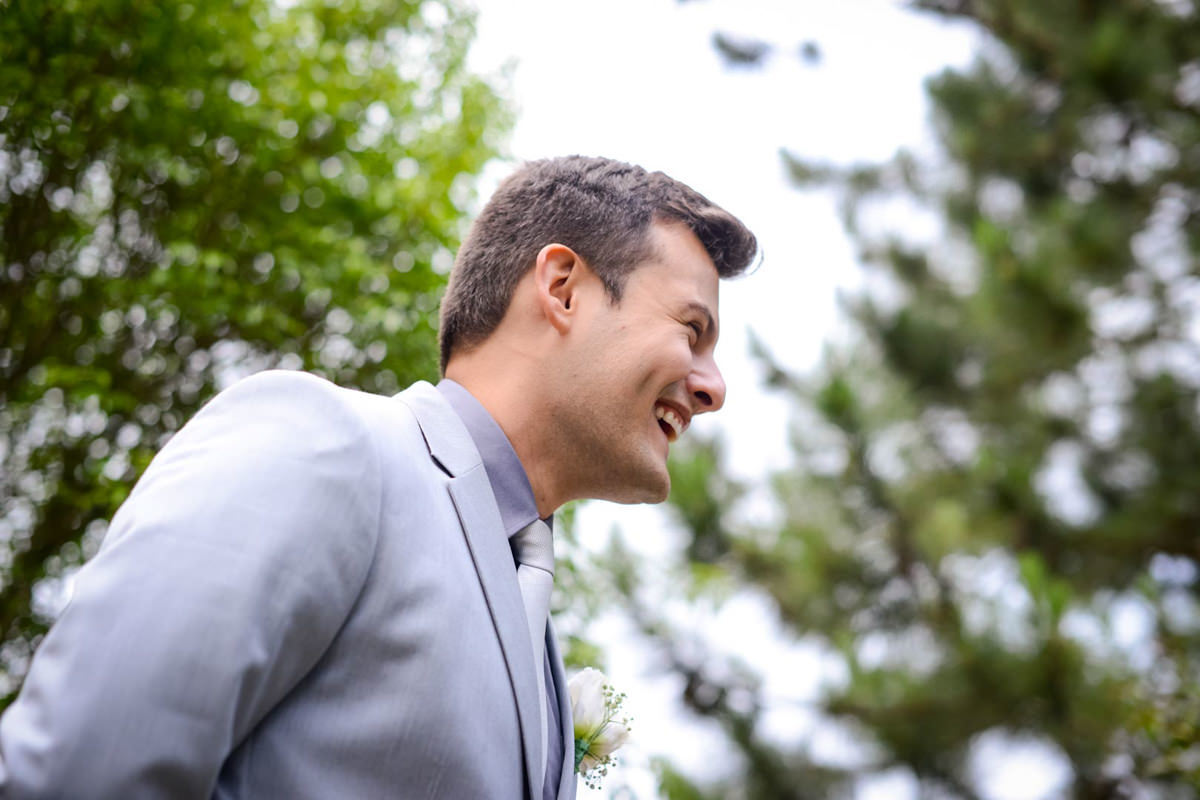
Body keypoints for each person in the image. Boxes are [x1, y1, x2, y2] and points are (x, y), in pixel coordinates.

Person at [0, 155, 757, 799]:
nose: (713, 387)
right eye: (692, 331)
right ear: (561, 288)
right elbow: (81, 768)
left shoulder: (546, 654)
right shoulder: (323, 442)